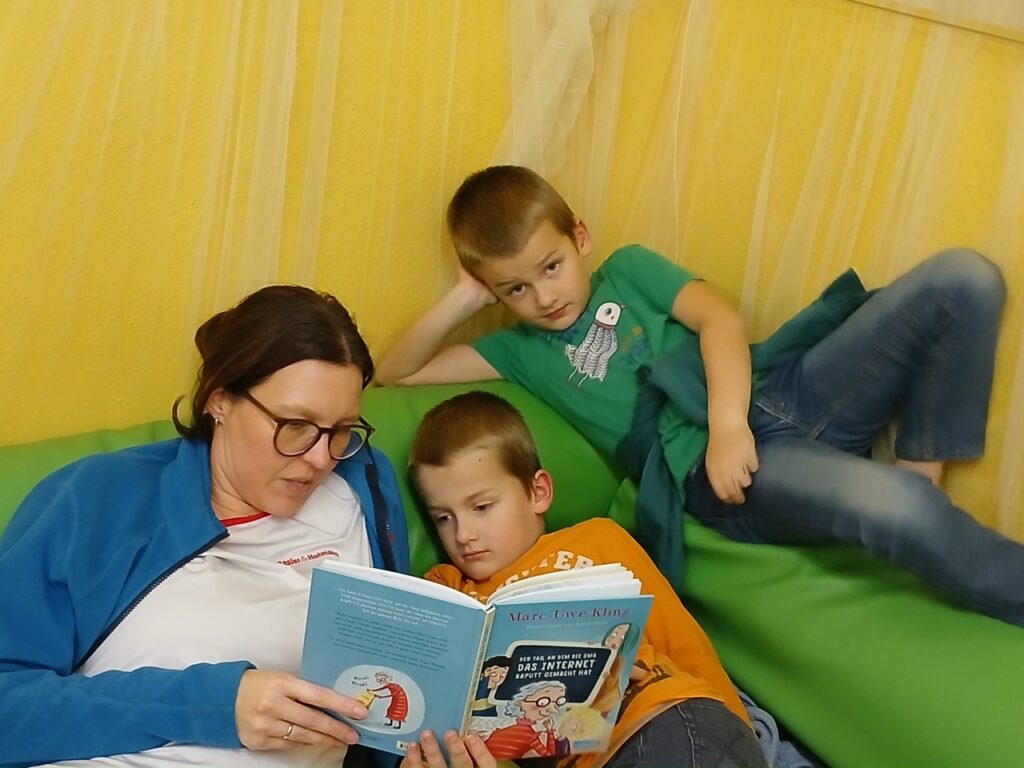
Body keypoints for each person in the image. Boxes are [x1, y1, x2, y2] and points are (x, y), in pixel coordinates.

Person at [375, 163, 1024, 629]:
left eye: (551, 267)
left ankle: (921, 470)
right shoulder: (517, 351)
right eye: (515, 289)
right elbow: (395, 373)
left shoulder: (628, 270)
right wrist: (466, 295)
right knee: (900, 507)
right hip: (707, 472)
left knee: (962, 279)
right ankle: (924, 512)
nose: (544, 297)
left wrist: (730, 425)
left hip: (772, 397)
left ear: (580, 237)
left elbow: (718, 319)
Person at [0, 285, 412, 767]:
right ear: (219, 400)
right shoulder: (98, 500)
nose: (321, 457)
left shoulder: (362, 485)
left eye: (341, 430)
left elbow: (382, 702)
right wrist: (212, 705)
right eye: (295, 425)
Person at [407, 391, 767, 768]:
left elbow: (682, 641)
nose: (463, 534)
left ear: (538, 493)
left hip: (664, 716)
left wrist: (741, 731)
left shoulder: (597, 540)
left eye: (482, 507)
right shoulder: (452, 589)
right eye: (443, 518)